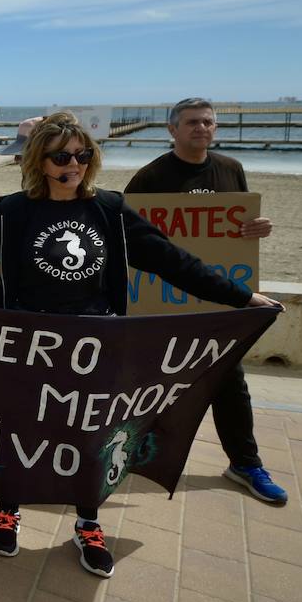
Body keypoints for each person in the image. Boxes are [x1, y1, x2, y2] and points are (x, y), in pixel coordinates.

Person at [0, 112, 282, 578]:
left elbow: (173, 262)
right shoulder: (15, 212)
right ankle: (8, 510)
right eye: (62, 156)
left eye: (83, 155)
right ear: (41, 161)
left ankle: (88, 522)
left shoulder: (109, 210)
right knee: (16, 429)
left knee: (88, 436)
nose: (74, 164)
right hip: (24, 345)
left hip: (93, 347)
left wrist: (242, 297)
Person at [123, 97, 284, 505]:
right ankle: (134, 454)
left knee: (231, 384)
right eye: (192, 122)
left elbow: (237, 228)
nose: (202, 129)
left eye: (208, 122)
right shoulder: (150, 177)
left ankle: (245, 463)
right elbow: (128, 235)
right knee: (150, 384)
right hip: (163, 305)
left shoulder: (231, 169)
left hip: (217, 301)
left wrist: (256, 228)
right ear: (172, 130)